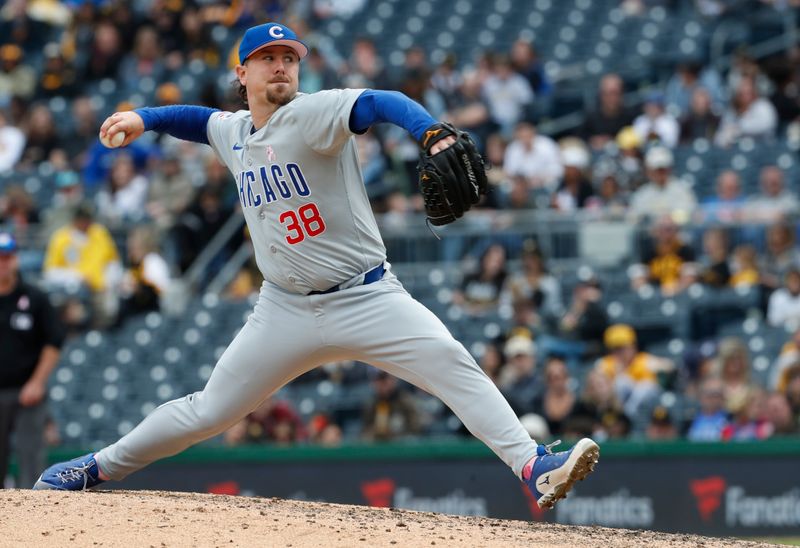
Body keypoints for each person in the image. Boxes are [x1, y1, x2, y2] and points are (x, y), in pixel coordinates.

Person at [33, 22, 598, 510]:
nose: (281, 67)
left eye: (289, 59)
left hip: (367, 296)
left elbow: (380, 102)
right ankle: (95, 467)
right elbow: (197, 120)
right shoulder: (235, 132)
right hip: (283, 310)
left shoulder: (312, 113)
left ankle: (532, 465)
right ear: (243, 74)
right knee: (206, 412)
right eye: (267, 60)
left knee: (451, 363)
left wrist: (427, 129)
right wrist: (144, 117)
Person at [0, 233, 64, 488]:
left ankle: (34, 523)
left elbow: (54, 340)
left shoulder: (34, 298)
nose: (3, 263)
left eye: (7, 257)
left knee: (30, 459)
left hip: (27, 393)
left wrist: (37, 382)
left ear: (15, 259)